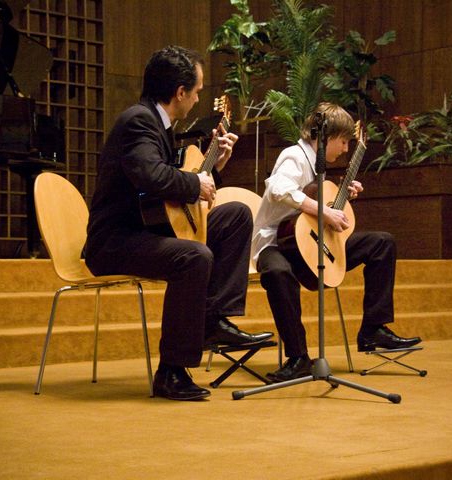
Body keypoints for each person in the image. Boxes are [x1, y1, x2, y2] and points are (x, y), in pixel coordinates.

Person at [85, 45, 271, 401]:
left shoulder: (158, 123)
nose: (198, 98)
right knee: (194, 257)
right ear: (180, 92)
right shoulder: (139, 121)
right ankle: (172, 371)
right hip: (116, 240)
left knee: (235, 215)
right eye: (196, 91)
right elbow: (151, 176)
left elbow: (166, 195)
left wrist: (215, 167)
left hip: (148, 228)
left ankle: (212, 321)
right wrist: (196, 183)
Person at [251, 102, 421, 383]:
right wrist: (324, 210)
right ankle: (298, 357)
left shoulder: (319, 168)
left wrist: (341, 196)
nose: (345, 149)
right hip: (276, 243)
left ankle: (373, 329)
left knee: (382, 243)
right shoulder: (294, 156)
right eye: (343, 141)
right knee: (278, 273)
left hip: (309, 244)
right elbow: (279, 188)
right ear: (326, 137)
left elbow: (311, 206)